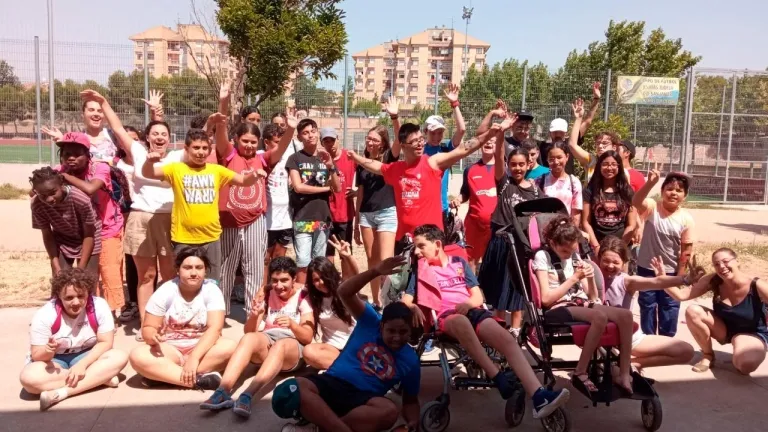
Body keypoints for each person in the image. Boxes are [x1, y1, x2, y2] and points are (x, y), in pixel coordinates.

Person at [403, 224, 571, 419]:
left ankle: (539, 396)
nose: (417, 252)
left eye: (421, 246)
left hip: (472, 310)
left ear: (437, 245)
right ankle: (497, 376)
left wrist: (467, 304)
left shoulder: (458, 263)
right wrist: (413, 307)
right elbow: (405, 300)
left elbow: (478, 297)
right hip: (446, 317)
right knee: (461, 322)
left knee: (506, 339)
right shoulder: (421, 269)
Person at [271, 256, 421, 432]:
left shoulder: (411, 361)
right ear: (381, 326)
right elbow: (344, 292)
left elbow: (410, 401)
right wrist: (375, 271)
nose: (396, 337)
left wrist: (413, 421)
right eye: (391, 331)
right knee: (289, 390)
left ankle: (323, 424)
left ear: (410, 332)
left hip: (363, 400)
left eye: (403, 332)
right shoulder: (370, 322)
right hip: (333, 382)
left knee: (389, 411)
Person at [80, 89, 178, 329]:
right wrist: (103, 102)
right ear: (147, 137)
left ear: (169, 138)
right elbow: (118, 128)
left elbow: (203, 140)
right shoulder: (139, 152)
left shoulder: (177, 157)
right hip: (141, 219)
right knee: (146, 276)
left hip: (168, 220)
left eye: (164, 134)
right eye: (155, 134)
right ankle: (147, 324)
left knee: (169, 277)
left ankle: (167, 322)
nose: (159, 137)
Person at [349, 117, 506, 255]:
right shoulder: (396, 169)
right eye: (414, 141)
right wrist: (356, 158)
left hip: (431, 240)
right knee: (402, 279)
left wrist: (489, 134)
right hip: (404, 241)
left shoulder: (433, 163)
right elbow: (376, 166)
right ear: (403, 146)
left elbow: (464, 149)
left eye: (421, 139)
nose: (420, 144)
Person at [199, 257, 314, 418]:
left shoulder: (303, 296)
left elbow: (307, 337)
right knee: (249, 339)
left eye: (284, 280)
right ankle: (222, 391)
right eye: (274, 280)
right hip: (268, 340)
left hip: (292, 347)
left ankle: (247, 395)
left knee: (280, 345)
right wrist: (254, 316)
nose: (279, 285)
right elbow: (249, 331)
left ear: (294, 279)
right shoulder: (267, 293)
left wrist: (292, 325)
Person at [142, 129, 259, 283]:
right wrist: (149, 162)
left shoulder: (216, 170)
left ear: (209, 150)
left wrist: (254, 176)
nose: (201, 152)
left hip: (211, 238)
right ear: (186, 149)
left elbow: (243, 181)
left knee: (211, 282)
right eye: (196, 147)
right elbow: (148, 174)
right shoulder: (176, 169)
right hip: (183, 238)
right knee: (186, 281)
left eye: (205, 148)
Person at [534, 215, 635, 394]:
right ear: (552, 243)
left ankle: (624, 373)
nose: (568, 255)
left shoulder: (575, 257)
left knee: (626, 316)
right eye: (564, 251)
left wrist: (589, 277)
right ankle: (580, 371)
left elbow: (592, 296)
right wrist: (574, 278)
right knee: (599, 316)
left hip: (580, 303)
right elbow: (546, 299)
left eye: (572, 250)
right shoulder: (543, 256)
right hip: (558, 306)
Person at [214, 109, 298, 315]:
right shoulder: (229, 155)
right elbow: (221, 139)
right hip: (229, 221)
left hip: (255, 221)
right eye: (245, 141)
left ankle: (254, 313)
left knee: (254, 268)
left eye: (253, 142)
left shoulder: (263, 159)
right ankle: (220, 312)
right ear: (236, 139)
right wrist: (223, 108)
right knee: (226, 269)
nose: (249, 145)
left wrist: (291, 129)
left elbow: (281, 148)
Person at [19, 268, 128, 411]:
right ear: (59, 296)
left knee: (119, 356)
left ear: (88, 292)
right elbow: (37, 355)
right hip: (55, 361)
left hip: (87, 356)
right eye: (69, 298)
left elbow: (106, 342)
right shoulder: (45, 314)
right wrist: (48, 350)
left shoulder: (99, 306)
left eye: (81, 296)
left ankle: (61, 393)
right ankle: (98, 378)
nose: (76, 302)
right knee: (29, 379)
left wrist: (82, 365)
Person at [129, 248, 236, 389]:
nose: (193, 273)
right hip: (170, 348)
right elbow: (149, 327)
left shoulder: (212, 290)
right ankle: (198, 380)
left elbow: (215, 329)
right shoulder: (165, 290)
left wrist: (194, 357)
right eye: (187, 268)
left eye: (199, 268)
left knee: (231, 347)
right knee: (137, 356)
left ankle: (165, 376)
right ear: (178, 270)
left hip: (203, 348)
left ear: (205, 271)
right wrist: (152, 336)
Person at [479, 118, 541, 337]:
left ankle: (515, 330)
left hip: (521, 245)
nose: (517, 168)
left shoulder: (535, 190)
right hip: (501, 242)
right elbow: (498, 156)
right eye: (513, 164)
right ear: (508, 165)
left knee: (517, 290)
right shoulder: (504, 183)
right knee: (498, 288)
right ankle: (499, 328)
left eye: (521, 164)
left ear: (528, 165)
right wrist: (501, 133)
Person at [54, 131, 125, 320]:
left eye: (77, 154)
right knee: (86, 274)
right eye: (67, 154)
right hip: (81, 232)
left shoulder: (100, 168)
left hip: (107, 227)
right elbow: (37, 190)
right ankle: (86, 313)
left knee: (108, 271)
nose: (71, 158)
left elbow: (90, 188)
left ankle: (109, 315)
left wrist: (64, 176)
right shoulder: (60, 170)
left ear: (88, 155)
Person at [597, 236, 696, 370]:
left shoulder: (627, 282)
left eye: (615, 262)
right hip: (597, 337)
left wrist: (684, 279)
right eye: (606, 261)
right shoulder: (590, 278)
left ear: (624, 263)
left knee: (685, 351)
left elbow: (655, 282)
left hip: (626, 337)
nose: (610, 266)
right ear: (599, 259)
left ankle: (631, 364)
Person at [663, 248, 768, 374]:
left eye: (726, 261)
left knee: (745, 365)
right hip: (723, 329)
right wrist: (661, 278)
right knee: (693, 311)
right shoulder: (713, 280)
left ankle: (744, 348)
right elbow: (681, 295)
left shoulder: (756, 285)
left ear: (737, 261)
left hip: (752, 332)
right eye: (717, 264)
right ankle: (708, 355)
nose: (722, 267)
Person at [632, 167, 695, 337]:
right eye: (669, 189)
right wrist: (650, 182)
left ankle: (667, 343)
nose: (673, 193)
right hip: (647, 269)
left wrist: (680, 276)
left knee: (670, 307)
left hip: (670, 272)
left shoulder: (686, 219)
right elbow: (636, 201)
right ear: (662, 191)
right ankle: (649, 341)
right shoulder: (652, 207)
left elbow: (686, 251)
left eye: (679, 191)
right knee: (647, 305)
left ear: (685, 195)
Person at [391, 84, 466, 215]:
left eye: (440, 132)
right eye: (433, 132)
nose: (437, 136)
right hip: (419, 207)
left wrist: (454, 104)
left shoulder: (446, 149)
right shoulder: (419, 150)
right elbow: (400, 138)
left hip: (441, 208)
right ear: (425, 132)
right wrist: (395, 117)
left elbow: (462, 130)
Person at [287, 118, 342, 284]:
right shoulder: (295, 159)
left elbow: (337, 188)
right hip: (303, 218)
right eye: (305, 133)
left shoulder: (325, 157)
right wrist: (325, 189)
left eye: (313, 131)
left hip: (322, 218)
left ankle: (316, 294)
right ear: (299, 137)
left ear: (318, 133)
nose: (310, 135)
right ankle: (302, 293)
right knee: (303, 262)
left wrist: (331, 166)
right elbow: (298, 187)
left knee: (319, 261)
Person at [353, 123, 398, 310]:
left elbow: (399, 140)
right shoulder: (361, 162)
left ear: (383, 143)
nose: (369, 142)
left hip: (387, 212)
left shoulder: (389, 158)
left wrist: (394, 118)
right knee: (372, 260)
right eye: (368, 138)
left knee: (387, 260)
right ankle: (376, 301)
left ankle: (389, 302)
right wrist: (356, 222)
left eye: (374, 139)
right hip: (366, 215)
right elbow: (360, 193)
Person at [30, 167, 101, 277]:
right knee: (60, 280)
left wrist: (80, 269)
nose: (49, 199)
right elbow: (47, 234)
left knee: (86, 280)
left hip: (87, 239)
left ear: (62, 185)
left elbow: (89, 235)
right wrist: (56, 265)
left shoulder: (80, 199)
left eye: (53, 193)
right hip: (63, 240)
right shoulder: (37, 204)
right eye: (43, 195)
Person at [302, 236, 359, 370]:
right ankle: (346, 368)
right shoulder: (313, 297)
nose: (321, 282)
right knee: (308, 352)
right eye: (316, 280)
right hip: (331, 349)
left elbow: (355, 276)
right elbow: (291, 286)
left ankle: (343, 368)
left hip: (355, 345)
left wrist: (347, 257)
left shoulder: (342, 289)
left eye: (323, 277)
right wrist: (265, 289)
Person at [451, 130, 497, 272]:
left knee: (493, 260)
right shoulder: (470, 169)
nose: (489, 143)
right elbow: (465, 192)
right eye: (486, 140)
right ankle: (471, 284)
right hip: (474, 223)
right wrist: (458, 199)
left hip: (496, 225)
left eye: (493, 141)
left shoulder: (504, 169)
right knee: (470, 259)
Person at [264, 121, 301, 287]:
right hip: (266, 218)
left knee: (279, 259)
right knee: (265, 258)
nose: (280, 146)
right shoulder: (262, 157)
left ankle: (275, 291)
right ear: (266, 142)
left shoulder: (288, 157)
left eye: (281, 142)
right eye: (276, 142)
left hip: (285, 218)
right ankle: (264, 291)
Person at [581, 150, 637, 253]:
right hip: (597, 246)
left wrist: (621, 248)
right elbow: (586, 222)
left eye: (613, 164)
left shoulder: (627, 191)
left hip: (621, 247)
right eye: (605, 164)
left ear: (619, 167)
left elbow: (631, 225)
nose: (609, 168)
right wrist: (596, 247)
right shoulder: (590, 191)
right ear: (599, 166)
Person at [321, 127, 357, 279]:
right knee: (327, 252)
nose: (330, 144)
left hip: (344, 213)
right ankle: (330, 282)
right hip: (326, 213)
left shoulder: (349, 157)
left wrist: (357, 191)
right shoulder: (320, 160)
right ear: (322, 143)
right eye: (326, 141)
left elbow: (365, 176)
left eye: (332, 140)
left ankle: (346, 282)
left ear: (338, 139)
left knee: (345, 251)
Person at [538, 141, 583, 225]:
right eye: (551, 159)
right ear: (547, 159)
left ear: (567, 157)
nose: (556, 162)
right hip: (545, 228)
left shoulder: (574, 182)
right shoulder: (540, 180)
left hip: (566, 229)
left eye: (559, 157)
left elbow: (576, 214)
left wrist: (572, 231)